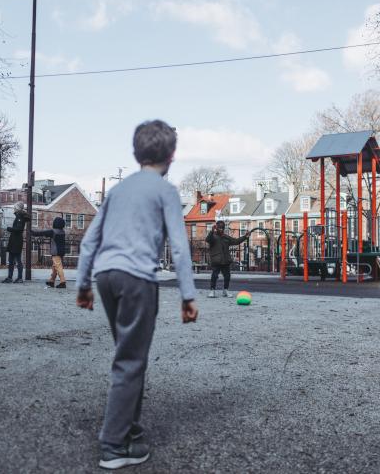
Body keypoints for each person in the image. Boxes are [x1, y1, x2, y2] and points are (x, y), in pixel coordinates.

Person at [75, 119, 198, 470]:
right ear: (172, 155)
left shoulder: (117, 191)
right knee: (129, 361)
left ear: (135, 152)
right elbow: (179, 247)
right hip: (136, 280)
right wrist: (187, 295)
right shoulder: (166, 191)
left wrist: (83, 284)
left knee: (131, 355)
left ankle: (130, 431)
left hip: (105, 276)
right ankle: (112, 446)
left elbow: (89, 241)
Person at [205, 220, 250, 297]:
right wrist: (211, 231)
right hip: (216, 260)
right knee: (214, 276)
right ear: (216, 227)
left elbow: (236, 241)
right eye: (219, 227)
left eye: (222, 227)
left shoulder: (226, 237)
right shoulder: (213, 237)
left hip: (225, 260)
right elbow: (208, 239)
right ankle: (212, 291)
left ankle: (225, 290)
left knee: (227, 276)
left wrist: (245, 236)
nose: (221, 229)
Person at [32, 217, 68, 288]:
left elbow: (42, 233)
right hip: (62, 251)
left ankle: (62, 282)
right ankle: (51, 281)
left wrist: (33, 233)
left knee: (58, 266)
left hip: (56, 252)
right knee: (55, 267)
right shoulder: (62, 232)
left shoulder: (53, 231)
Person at [3, 202, 29, 284]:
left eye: (15, 207)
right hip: (15, 240)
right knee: (13, 260)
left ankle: (18, 278)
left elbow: (19, 229)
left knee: (16, 260)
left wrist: (9, 228)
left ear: (18, 208)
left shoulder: (19, 216)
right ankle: (13, 277)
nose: (14, 208)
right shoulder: (20, 216)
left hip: (16, 240)